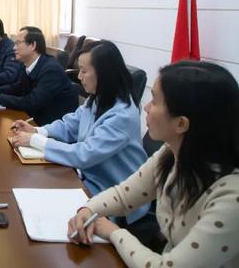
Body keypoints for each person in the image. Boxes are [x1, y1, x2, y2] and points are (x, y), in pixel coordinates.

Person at [68, 61, 239, 268]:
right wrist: (87, 210)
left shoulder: (231, 198)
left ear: (181, 123)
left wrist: (114, 232)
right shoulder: (170, 153)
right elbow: (123, 196)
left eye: (155, 101)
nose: (147, 108)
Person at [11, 40, 150, 224]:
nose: (79, 77)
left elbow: (85, 154)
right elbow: (70, 125)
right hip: (89, 180)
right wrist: (38, 130)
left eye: (84, 71)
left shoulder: (123, 114)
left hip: (114, 196)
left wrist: (35, 140)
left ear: (104, 74)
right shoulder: (98, 98)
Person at [0, 26, 78, 125]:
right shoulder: (27, 63)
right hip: (36, 117)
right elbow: (18, 87)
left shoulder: (51, 70)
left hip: (53, 125)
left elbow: (31, 103)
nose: (14, 48)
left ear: (32, 45)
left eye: (18, 43)